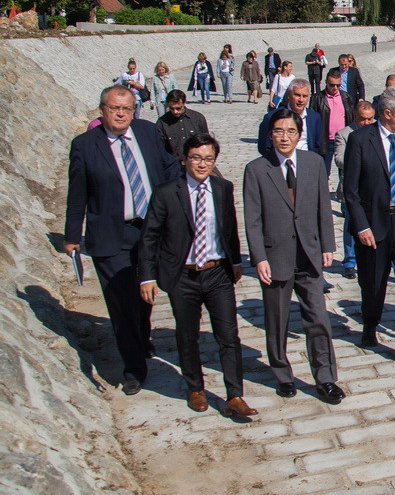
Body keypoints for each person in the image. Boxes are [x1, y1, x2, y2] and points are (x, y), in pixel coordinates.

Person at [64, 86, 181, 394]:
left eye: (126, 109)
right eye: (114, 108)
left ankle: (142, 337)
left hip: (149, 232)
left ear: (134, 111)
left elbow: (168, 169)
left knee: (144, 295)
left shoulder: (146, 132)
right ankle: (134, 367)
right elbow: (76, 193)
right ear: (102, 109)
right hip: (111, 236)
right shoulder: (85, 145)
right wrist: (72, 234)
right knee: (121, 303)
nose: (120, 114)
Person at [137, 133, 257, 419]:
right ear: (184, 159)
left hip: (217, 273)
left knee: (228, 335)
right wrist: (147, 277)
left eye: (208, 159)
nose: (202, 164)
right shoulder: (167, 192)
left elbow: (229, 228)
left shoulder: (222, 187)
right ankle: (195, 387)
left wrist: (236, 262)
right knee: (187, 335)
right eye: (196, 158)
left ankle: (234, 394)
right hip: (183, 275)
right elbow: (150, 237)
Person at [243, 110, 343, 404]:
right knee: (278, 320)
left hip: (309, 255)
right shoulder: (257, 169)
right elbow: (253, 219)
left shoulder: (313, 164)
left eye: (290, 131)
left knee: (318, 319)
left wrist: (328, 245)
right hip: (275, 258)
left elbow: (323, 207)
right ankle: (282, 373)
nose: (284, 136)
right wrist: (259, 257)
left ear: (299, 134)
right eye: (278, 131)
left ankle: (325, 377)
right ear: (270, 134)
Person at [342, 87, 395, 368]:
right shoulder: (359, 139)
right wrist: (361, 226)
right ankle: (370, 325)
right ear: (388, 113)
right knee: (373, 283)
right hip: (374, 225)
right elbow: (351, 190)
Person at [334, 101, 375, 279]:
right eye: (363, 119)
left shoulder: (378, 133)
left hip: (374, 189)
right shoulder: (343, 134)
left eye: (370, 119)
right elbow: (339, 159)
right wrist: (361, 161)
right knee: (352, 224)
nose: (367, 123)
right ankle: (350, 261)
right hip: (352, 189)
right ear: (355, 117)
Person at [257, 80, 325, 158]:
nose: (301, 100)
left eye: (305, 96)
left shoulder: (314, 117)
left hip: (306, 163)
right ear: (289, 95)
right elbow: (264, 147)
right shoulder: (272, 117)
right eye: (297, 95)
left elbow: (317, 144)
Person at [314, 69, 354, 174]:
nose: (335, 88)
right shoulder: (318, 97)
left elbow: (351, 116)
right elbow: (313, 120)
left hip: (343, 139)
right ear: (326, 82)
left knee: (345, 171)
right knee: (323, 171)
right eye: (332, 85)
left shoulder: (346, 96)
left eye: (338, 85)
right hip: (326, 140)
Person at [156, 90, 210, 160]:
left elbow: (206, 143)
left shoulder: (198, 118)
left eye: (178, 108)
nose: (175, 111)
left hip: (196, 162)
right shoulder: (162, 122)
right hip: (174, 165)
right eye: (172, 108)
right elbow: (159, 148)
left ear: (184, 103)